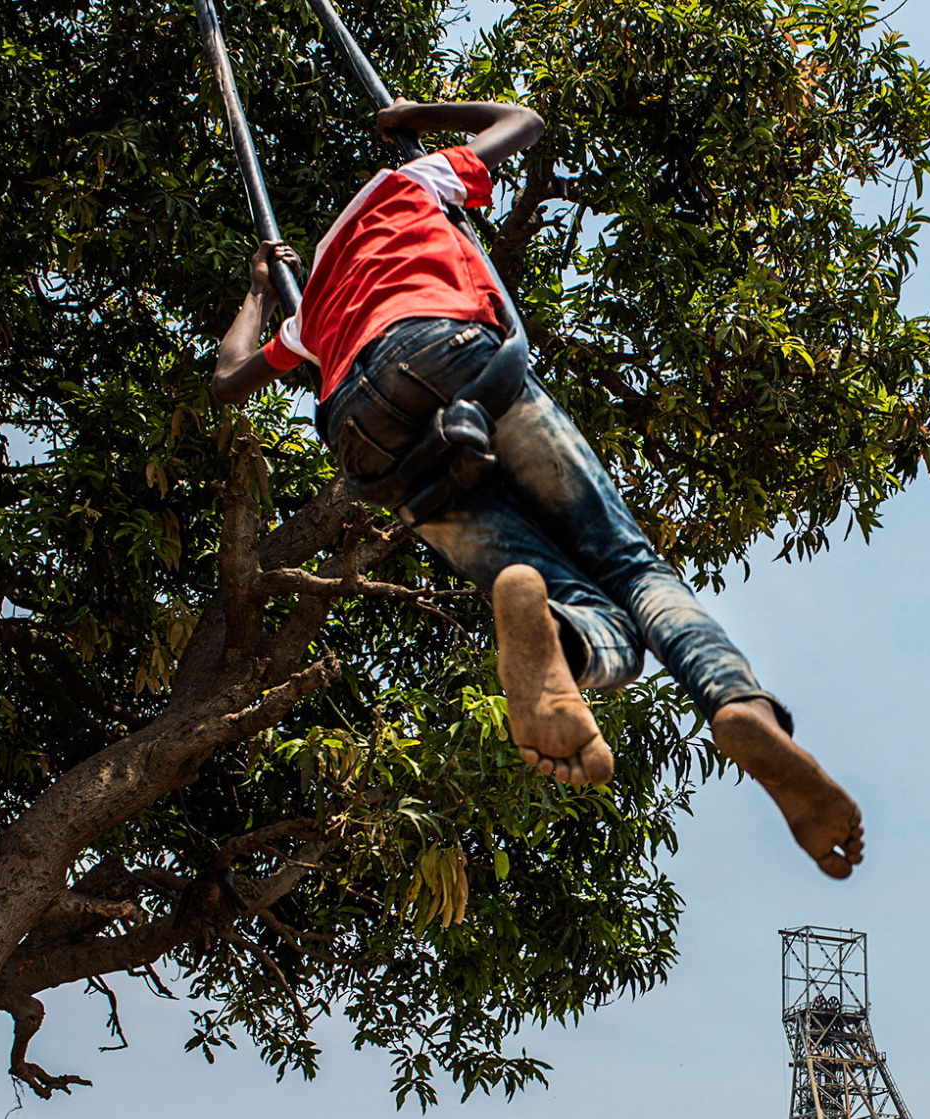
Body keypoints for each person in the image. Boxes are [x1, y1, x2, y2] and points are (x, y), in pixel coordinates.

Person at [212, 98, 865, 878]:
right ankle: (736, 703)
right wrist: (416, 111)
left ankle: (557, 638)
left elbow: (226, 380)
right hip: (450, 352)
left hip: (365, 434)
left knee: (583, 602)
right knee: (628, 564)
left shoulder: (311, 300)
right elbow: (523, 120)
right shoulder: (407, 184)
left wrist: (259, 287)